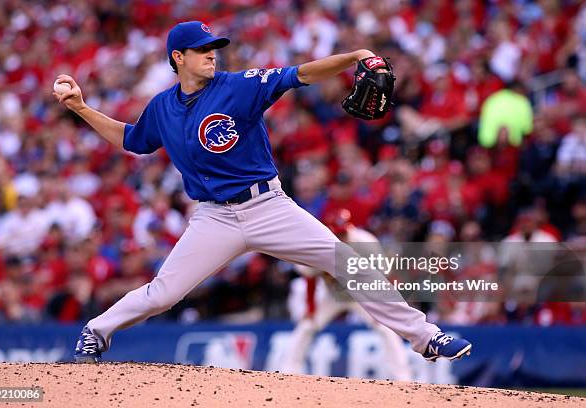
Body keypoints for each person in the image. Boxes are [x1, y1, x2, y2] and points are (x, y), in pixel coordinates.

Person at [53, 20, 471, 363]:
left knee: (347, 263)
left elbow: (300, 74)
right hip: (214, 217)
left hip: (268, 205)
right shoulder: (162, 106)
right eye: (202, 49)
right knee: (165, 292)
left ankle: (426, 337)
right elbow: (131, 140)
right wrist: (81, 108)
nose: (212, 53)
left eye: (213, 46)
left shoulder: (239, 86)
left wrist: (357, 56)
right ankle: (96, 331)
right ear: (178, 58)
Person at [283, 209, 413, 380]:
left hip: (361, 293)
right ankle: (288, 372)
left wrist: (379, 305)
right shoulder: (318, 244)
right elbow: (310, 277)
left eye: (344, 232)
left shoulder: (365, 242)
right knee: (307, 326)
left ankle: (403, 378)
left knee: (385, 326)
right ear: (328, 231)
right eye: (338, 233)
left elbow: (382, 276)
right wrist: (311, 308)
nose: (342, 237)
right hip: (332, 295)